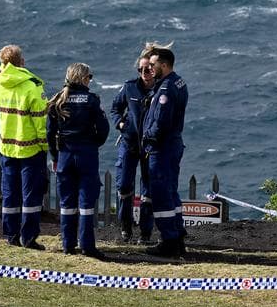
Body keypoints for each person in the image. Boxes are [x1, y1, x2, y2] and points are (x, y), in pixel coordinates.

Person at [46, 63, 110, 260]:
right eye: (89, 76)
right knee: (86, 203)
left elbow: (50, 132)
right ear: (83, 78)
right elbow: (104, 129)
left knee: (66, 203)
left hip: (65, 155)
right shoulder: (91, 100)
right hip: (86, 155)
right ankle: (87, 246)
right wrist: (92, 144)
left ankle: (67, 244)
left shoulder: (57, 100)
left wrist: (55, 156)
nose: (90, 80)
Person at [0, 44, 49, 249]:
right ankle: (28, 237)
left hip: (7, 147)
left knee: (10, 194)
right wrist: (44, 145)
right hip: (30, 148)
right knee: (31, 196)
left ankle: (11, 235)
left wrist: (4, 67)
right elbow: (40, 122)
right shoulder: (31, 86)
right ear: (22, 61)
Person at [109, 43, 163, 244]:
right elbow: (115, 108)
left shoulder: (161, 89)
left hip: (150, 146)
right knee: (124, 185)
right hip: (129, 143)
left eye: (148, 68)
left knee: (148, 191)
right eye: (141, 69)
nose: (145, 73)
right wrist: (121, 124)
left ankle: (146, 232)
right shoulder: (130, 87)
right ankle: (125, 225)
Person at [140, 47, 188, 257]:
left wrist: (147, 137)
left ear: (165, 65)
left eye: (153, 65)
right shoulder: (178, 82)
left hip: (162, 148)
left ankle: (169, 240)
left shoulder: (166, 89)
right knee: (171, 192)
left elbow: (161, 122)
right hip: (172, 145)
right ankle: (177, 236)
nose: (150, 68)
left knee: (161, 195)